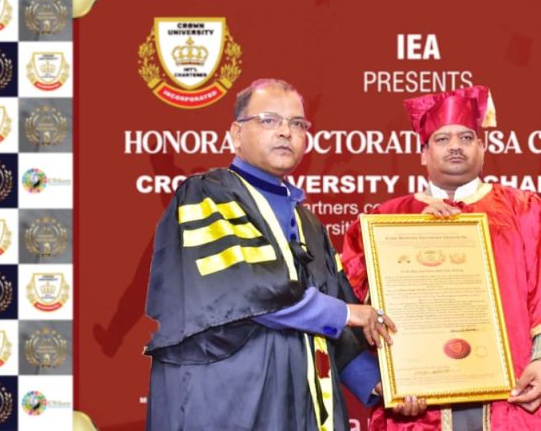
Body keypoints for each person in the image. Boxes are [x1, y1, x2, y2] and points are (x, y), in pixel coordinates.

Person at [144, 78, 397, 430]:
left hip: (299, 406)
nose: (285, 132)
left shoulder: (309, 224)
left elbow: (341, 325)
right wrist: (344, 313)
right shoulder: (209, 195)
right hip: (229, 400)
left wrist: (385, 385)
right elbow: (249, 290)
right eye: (268, 120)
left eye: (297, 123)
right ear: (236, 134)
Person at [342, 85, 541, 430]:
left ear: (483, 148)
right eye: (442, 139)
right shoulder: (385, 221)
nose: (455, 146)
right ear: (423, 153)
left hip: (514, 398)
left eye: (466, 137)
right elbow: (358, 311)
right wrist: (392, 381)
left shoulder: (524, 210)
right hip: (421, 408)